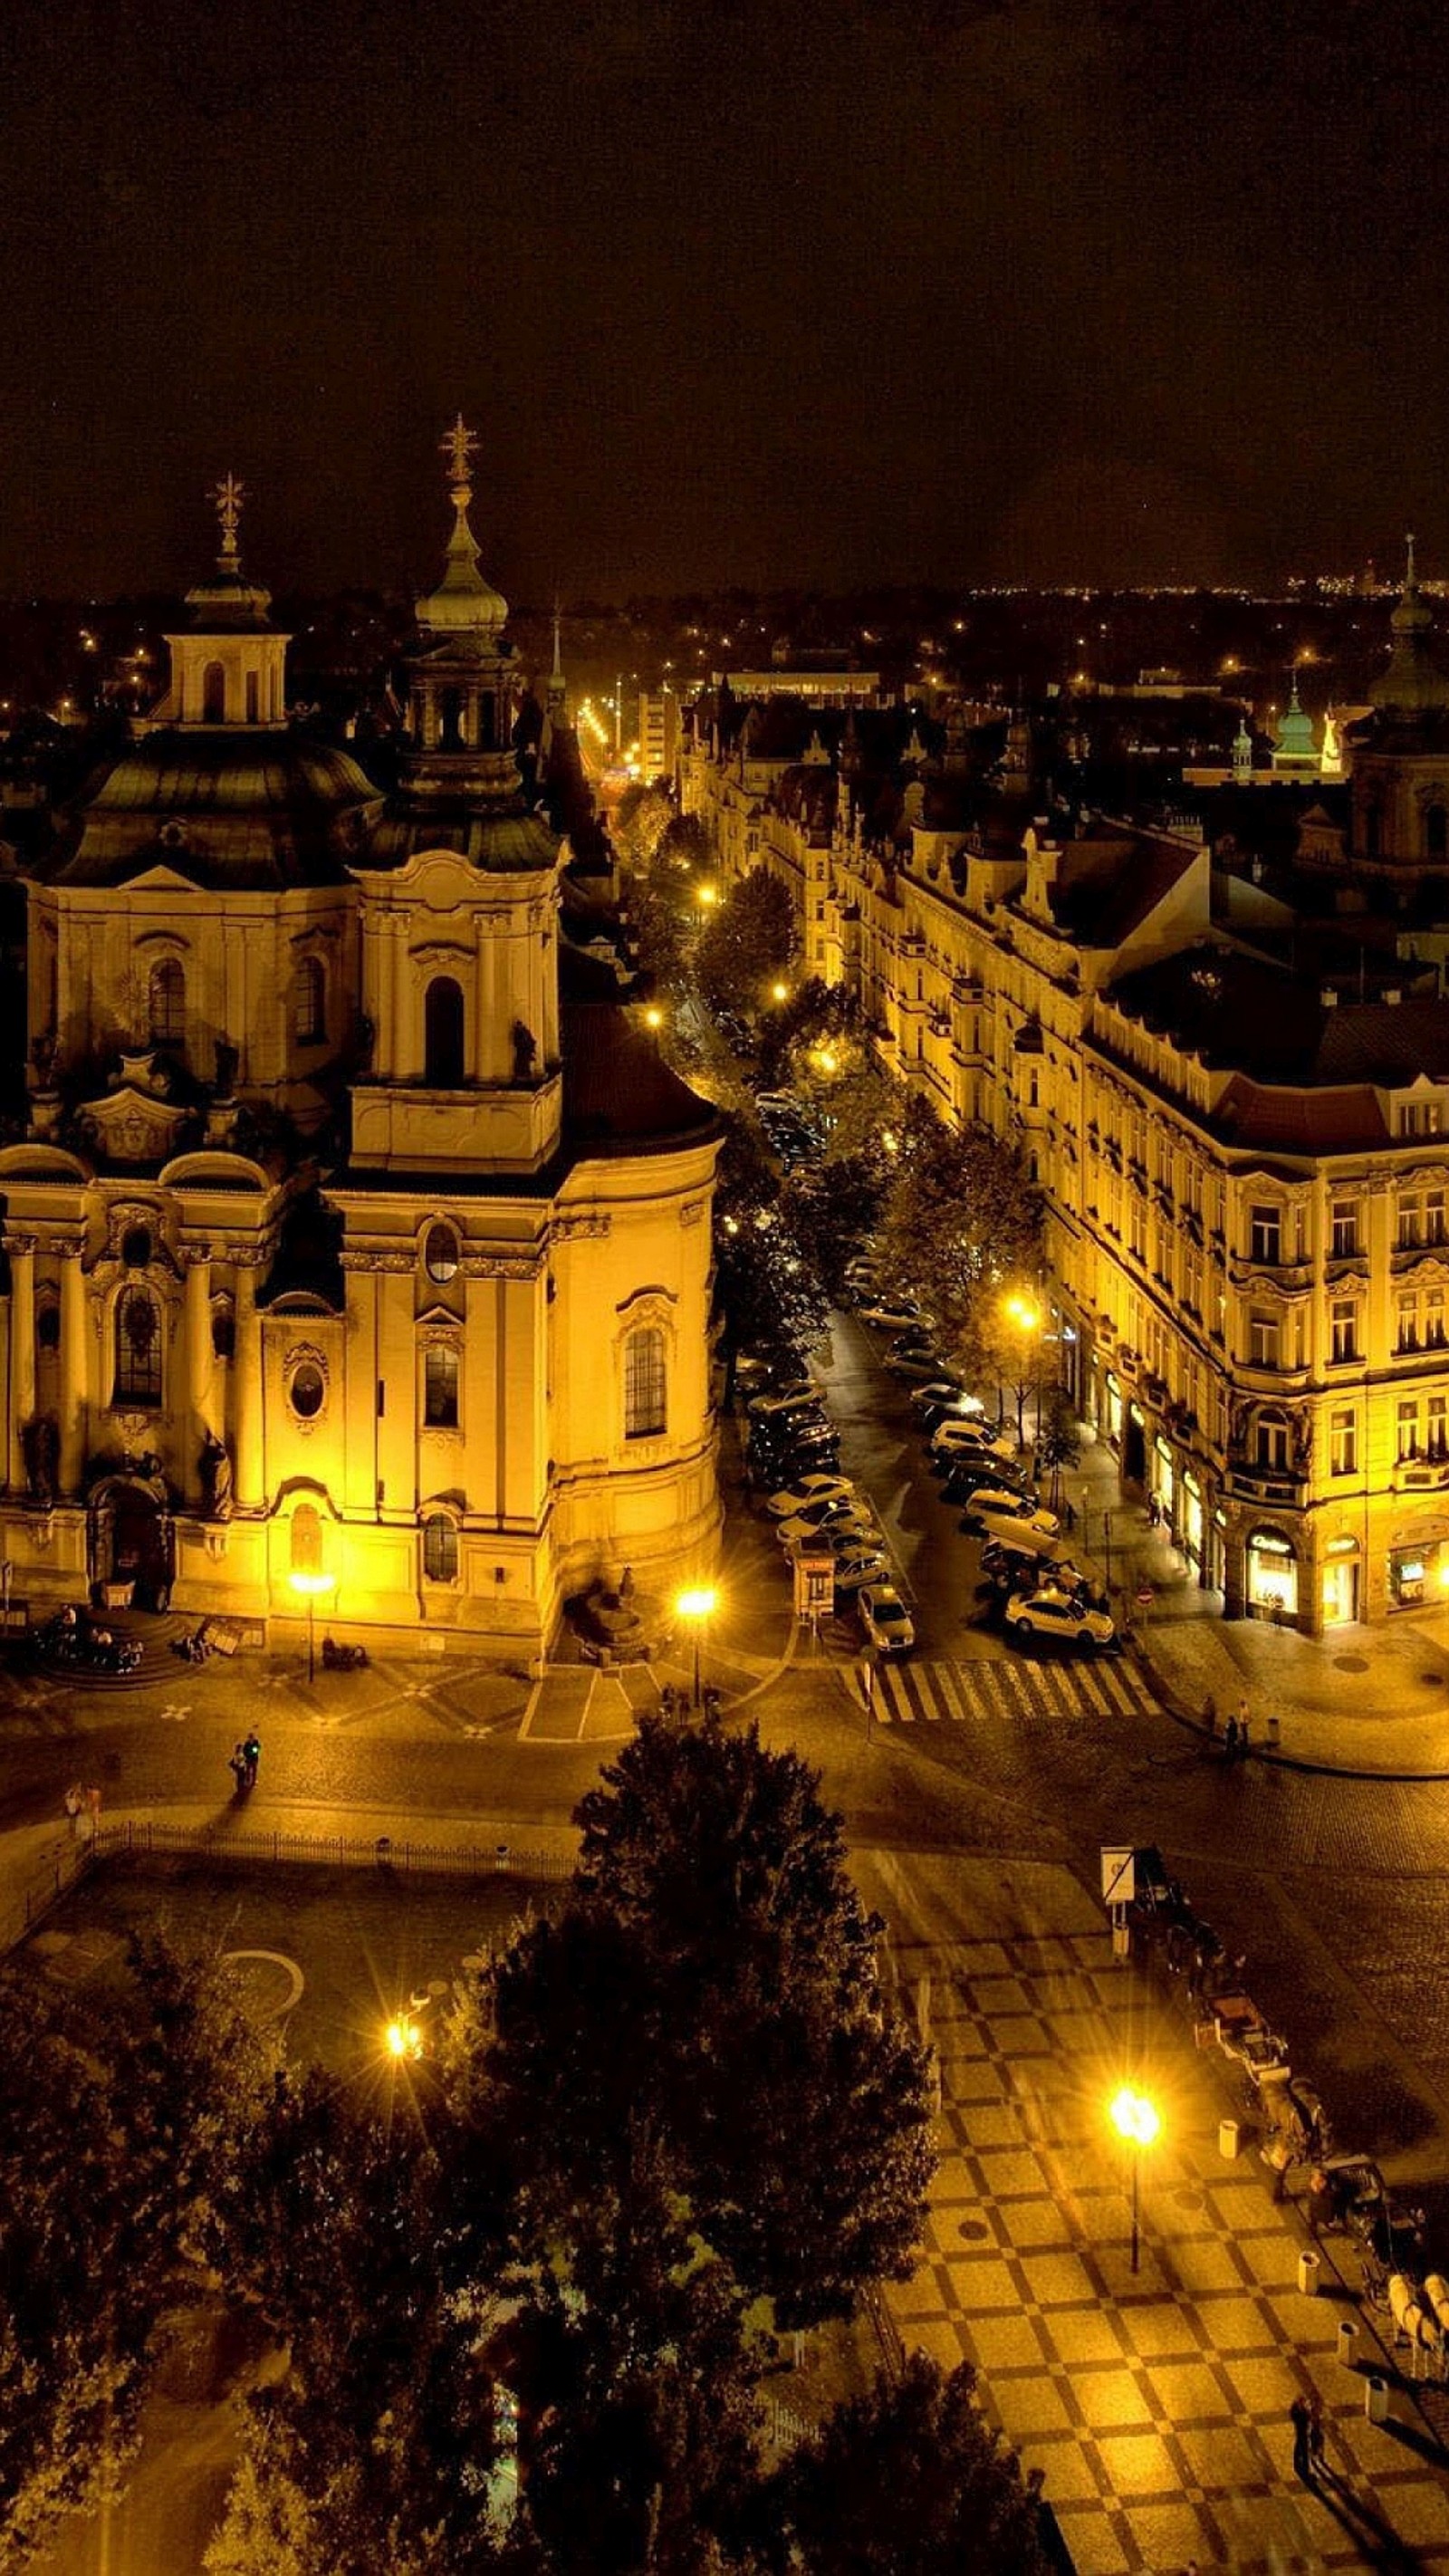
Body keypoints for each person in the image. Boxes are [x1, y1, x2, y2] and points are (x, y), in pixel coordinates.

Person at [1290, 2392, 1312, 2481]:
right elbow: (1305, 2418)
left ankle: (1297, 2464)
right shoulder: (1298, 2410)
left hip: (1301, 2431)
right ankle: (1306, 2471)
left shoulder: (1296, 2409)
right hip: (1301, 2431)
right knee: (1304, 2450)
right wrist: (1307, 2413)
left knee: (1299, 2446)